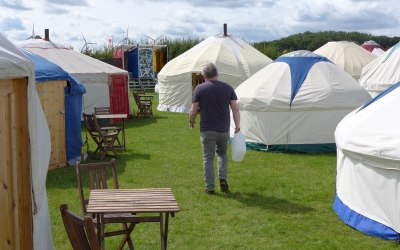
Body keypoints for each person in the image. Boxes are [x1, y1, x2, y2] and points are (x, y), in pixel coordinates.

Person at [189, 63, 240, 194]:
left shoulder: (199, 89)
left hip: (207, 129)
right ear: (217, 74)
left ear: (204, 75)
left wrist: (192, 121)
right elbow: (235, 109)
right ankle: (223, 179)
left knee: (208, 158)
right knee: (222, 154)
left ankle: (210, 187)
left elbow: (193, 110)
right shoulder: (228, 88)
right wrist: (238, 126)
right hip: (223, 129)